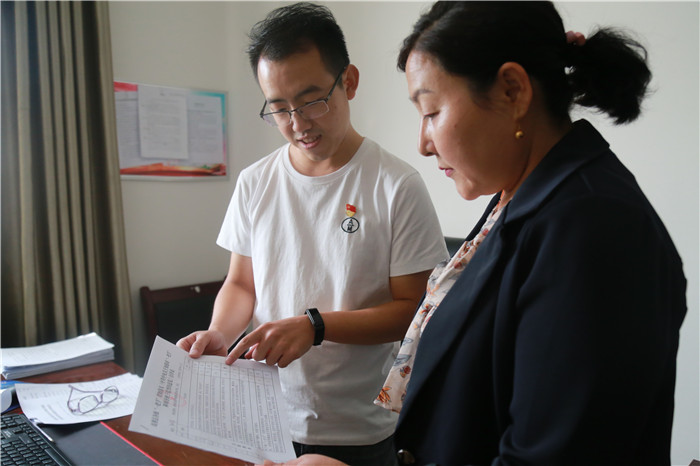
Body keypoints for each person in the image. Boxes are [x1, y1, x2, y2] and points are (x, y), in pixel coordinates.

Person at [273, 1, 688, 465]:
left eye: (431, 111)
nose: (423, 143)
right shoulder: (519, 197)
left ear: (513, 91)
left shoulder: (593, 230)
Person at [176, 2, 448, 465]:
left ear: (349, 82)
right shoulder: (256, 182)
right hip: (265, 417)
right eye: (280, 109)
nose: (299, 124)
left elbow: (412, 312)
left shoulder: (395, 185)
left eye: (312, 101)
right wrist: (221, 332)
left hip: (356, 429)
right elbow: (241, 283)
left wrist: (315, 327)